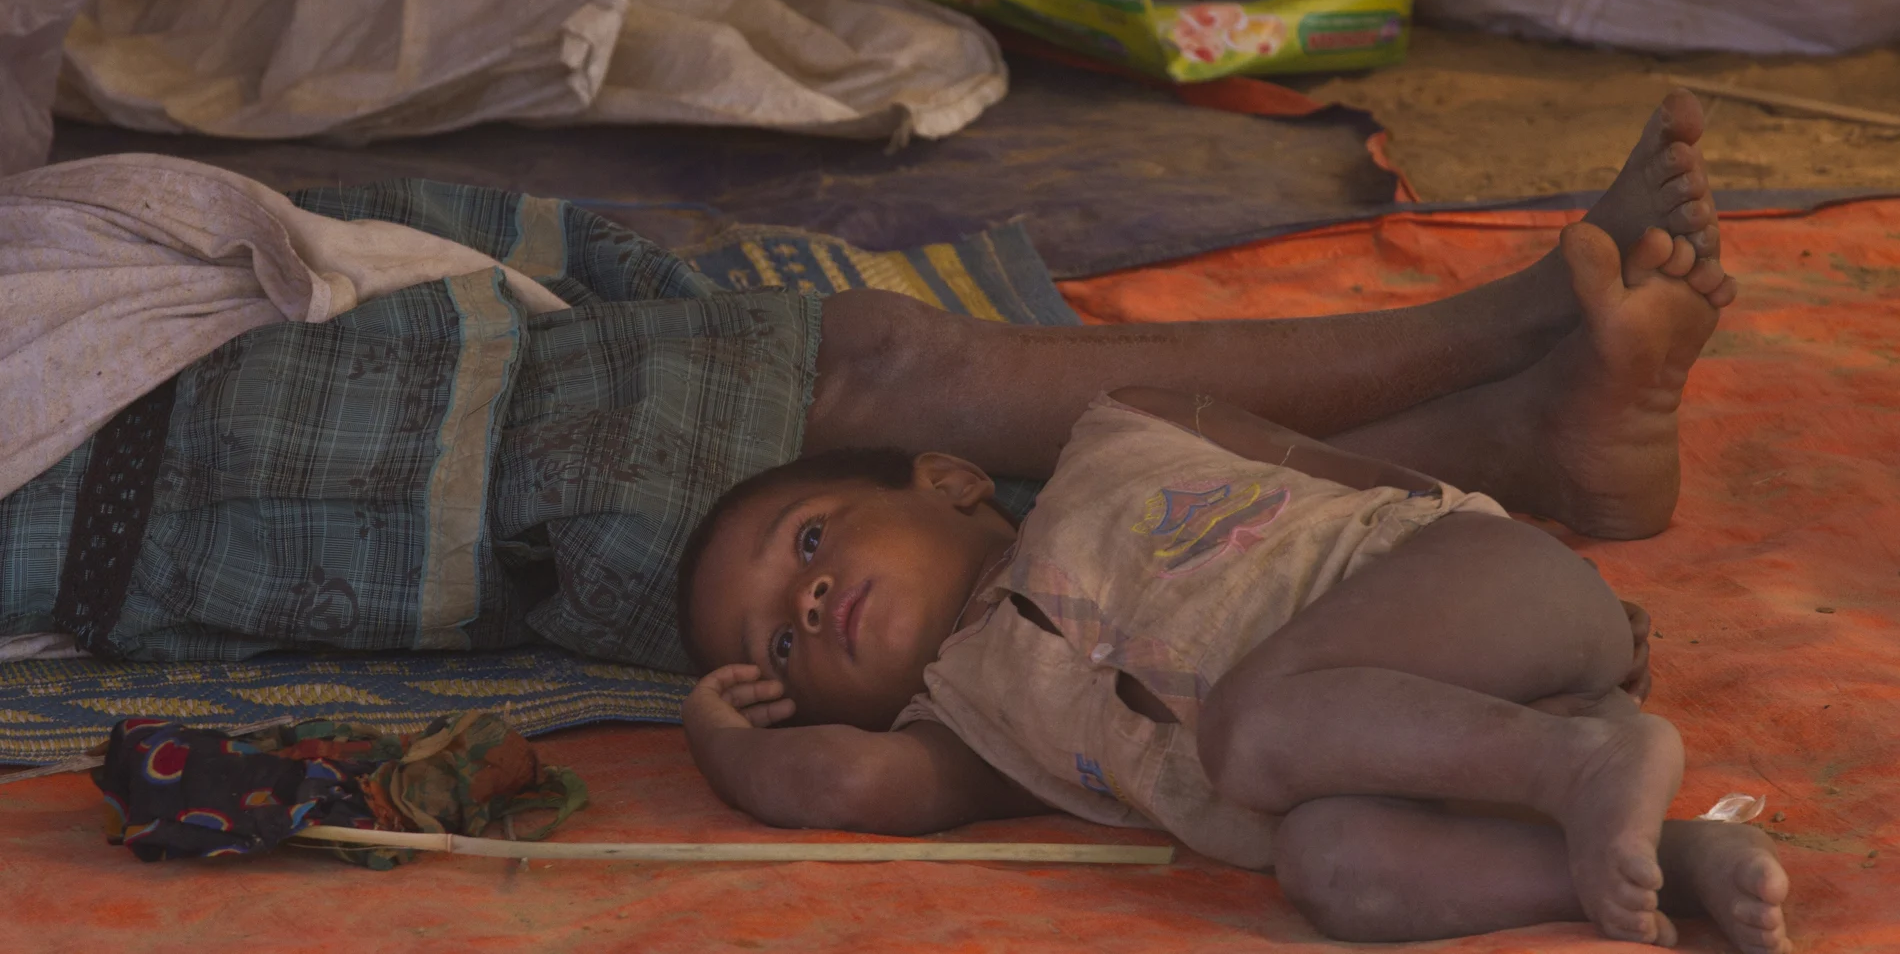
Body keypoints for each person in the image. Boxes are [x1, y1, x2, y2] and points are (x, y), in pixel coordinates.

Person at [2, 91, 1727, 672]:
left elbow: (203, 236)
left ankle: (1514, 374)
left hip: (456, 380)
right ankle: (1511, 406)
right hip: (494, 492)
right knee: (1032, 507)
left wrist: (583, 262)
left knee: (968, 426)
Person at [673, 219, 1789, 954]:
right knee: (1330, 867)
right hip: (1436, 757)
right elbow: (846, 787)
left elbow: (1347, 472)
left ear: (951, 477)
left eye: (809, 542)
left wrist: (1541, 578)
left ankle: (1587, 757)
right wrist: (725, 742)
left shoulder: (1116, 429)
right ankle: (1670, 860)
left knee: (1253, 734)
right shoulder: (968, 728)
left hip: (1468, 588)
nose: (805, 604)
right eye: (776, 645)